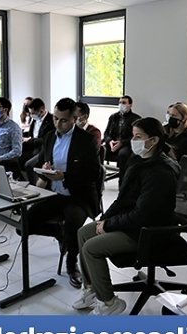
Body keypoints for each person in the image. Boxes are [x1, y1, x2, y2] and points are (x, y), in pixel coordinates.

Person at [74, 117, 180, 315]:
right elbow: (123, 200)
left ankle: (109, 303)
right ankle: (91, 288)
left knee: (91, 248)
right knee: (83, 233)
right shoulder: (140, 161)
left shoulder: (160, 173)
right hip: (134, 222)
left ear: (154, 140)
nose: (133, 141)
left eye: (138, 137)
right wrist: (104, 219)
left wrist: (109, 225)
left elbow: (142, 215)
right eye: (133, 136)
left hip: (149, 231)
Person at [24, 98, 101, 289]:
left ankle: (71, 264)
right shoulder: (50, 136)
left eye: (64, 120)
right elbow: (41, 161)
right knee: (24, 224)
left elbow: (93, 173)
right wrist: (45, 168)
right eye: (56, 119)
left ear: (74, 119)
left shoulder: (86, 140)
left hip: (78, 196)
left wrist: (65, 176)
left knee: (73, 225)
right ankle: (59, 233)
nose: (58, 124)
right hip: (54, 194)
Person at [102, 95, 141, 184]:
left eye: (124, 103)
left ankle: (122, 183)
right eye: (119, 102)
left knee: (123, 154)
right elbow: (106, 133)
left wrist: (121, 143)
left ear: (130, 105)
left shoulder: (136, 119)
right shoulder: (113, 117)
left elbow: (137, 137)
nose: (121, 105)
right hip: (112, 144)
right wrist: (110, 141)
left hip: (127, 145)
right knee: (100, 150)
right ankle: (99, 178)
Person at [22, 98, 56, 184]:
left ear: (41, 110)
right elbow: (31, 134)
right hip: (33, 147)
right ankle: (23, 183)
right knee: (18, 157)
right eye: (30, 113)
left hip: (43, 150)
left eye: (33, 113)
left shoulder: (52, 120)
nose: (31, 115)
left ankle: (34, 186)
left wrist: (30, 140)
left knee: (29, 165)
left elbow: (46, 140)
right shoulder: (34, 119)